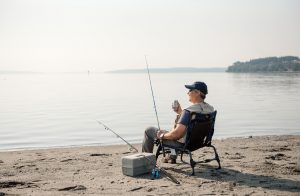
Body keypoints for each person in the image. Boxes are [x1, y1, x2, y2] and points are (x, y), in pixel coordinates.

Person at [142, 81, 214, 163]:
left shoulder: (188, 112)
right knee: (171, 133)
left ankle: (146, 162)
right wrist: (180, 112)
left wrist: (162, 135)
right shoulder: (210, 109)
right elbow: (193, 120)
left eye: (190, 90)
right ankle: (172, 156)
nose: (188, 93)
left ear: (197, 92)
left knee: (149, 130)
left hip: (184, 145)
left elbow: (176, 135)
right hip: (199, 143)